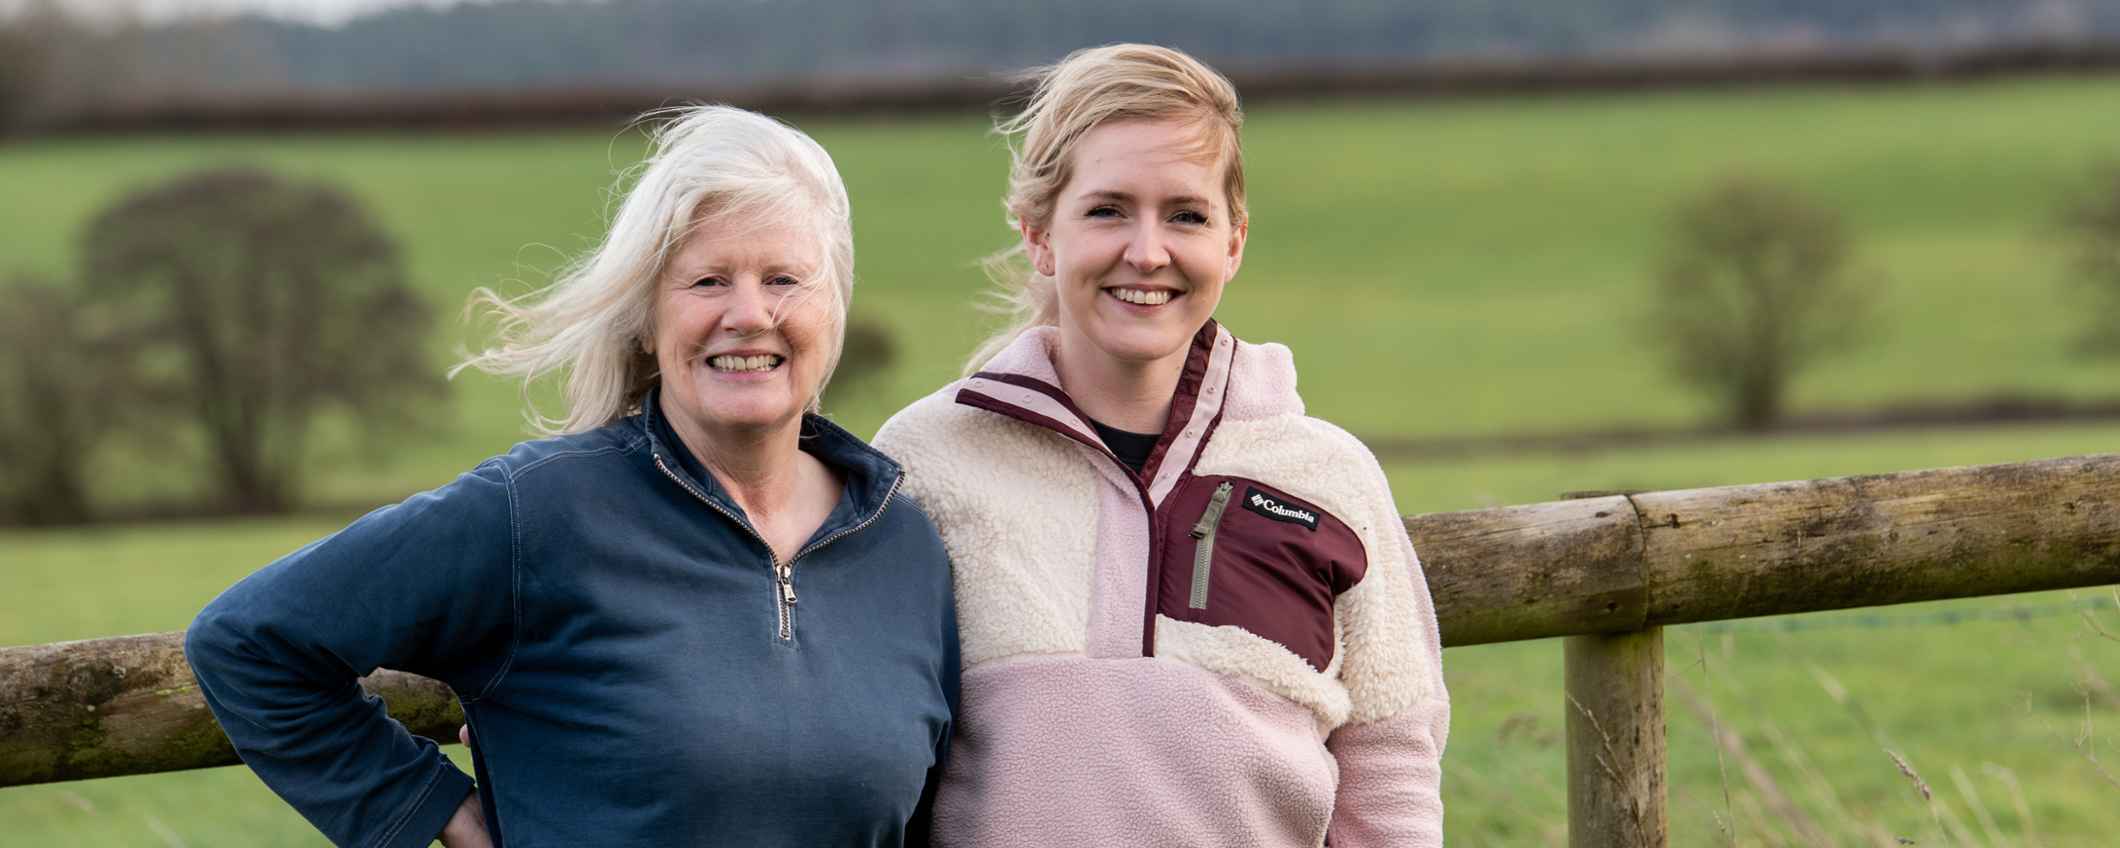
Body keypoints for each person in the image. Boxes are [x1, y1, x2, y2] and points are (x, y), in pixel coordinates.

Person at [184, 105, 958, 848]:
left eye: (785, 279)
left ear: (834, 310)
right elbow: (249, 642)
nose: (749, 313)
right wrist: (437, 807)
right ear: (648, 320)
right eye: (707, 281)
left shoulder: (901, 544)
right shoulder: (542, 514)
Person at [872, 44, 1449, 847]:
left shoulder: (1330, 478)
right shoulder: (928, 462)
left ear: (1234, 241)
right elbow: (873, 756)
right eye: (1108, 210)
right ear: (1040, 235)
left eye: (1186, 214)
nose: (1147, 253)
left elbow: (1391, 772)